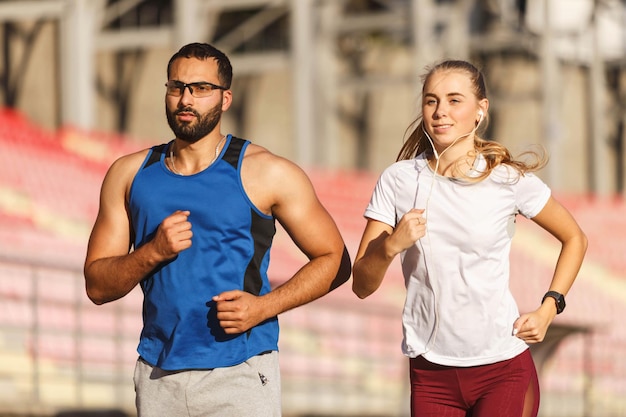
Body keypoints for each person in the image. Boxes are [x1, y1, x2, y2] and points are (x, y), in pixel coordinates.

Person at [84, 42, 351, 417]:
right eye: (176, 87)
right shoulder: (129, 174)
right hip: (158, 375)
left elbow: (336, 260)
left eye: (201, 88)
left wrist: (263, 307)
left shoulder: (267, 172)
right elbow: (97, 286)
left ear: (225, 98)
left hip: (239, 372)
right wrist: (152, 252)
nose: (185, 99)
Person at [352, 60, 587, 417]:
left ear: (481, 110)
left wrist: (548, 308)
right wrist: (390, 247)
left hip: (503, 367)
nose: (440, 111)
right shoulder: (398, 180)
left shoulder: (507, 180)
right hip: (431, 374)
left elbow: (575, 238)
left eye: (454, 100)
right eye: (431, 101)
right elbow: (362, 285)